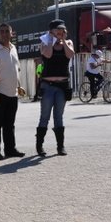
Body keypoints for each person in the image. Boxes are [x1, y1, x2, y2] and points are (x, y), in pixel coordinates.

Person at [36, 19, 75, 156]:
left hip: (62, 85)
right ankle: (39, 146)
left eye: (62, 30)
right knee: (44, 116)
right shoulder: (45, 43)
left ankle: (60, 146)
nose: (60, 32)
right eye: (57, 30)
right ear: (51, 31)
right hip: (48, 85)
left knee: (59, 116)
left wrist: (63, 41)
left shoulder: (68, 42)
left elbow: (70, 55)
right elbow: (48, 54)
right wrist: (52, 41)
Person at [0, 23, 24, 159]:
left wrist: (19, 86)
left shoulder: (14, 48)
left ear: (11, 33)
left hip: (12, 93)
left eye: (7, 31)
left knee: (10, 124)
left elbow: (17, 69)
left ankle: (10, 150)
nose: (4, 34)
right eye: (2, 32)